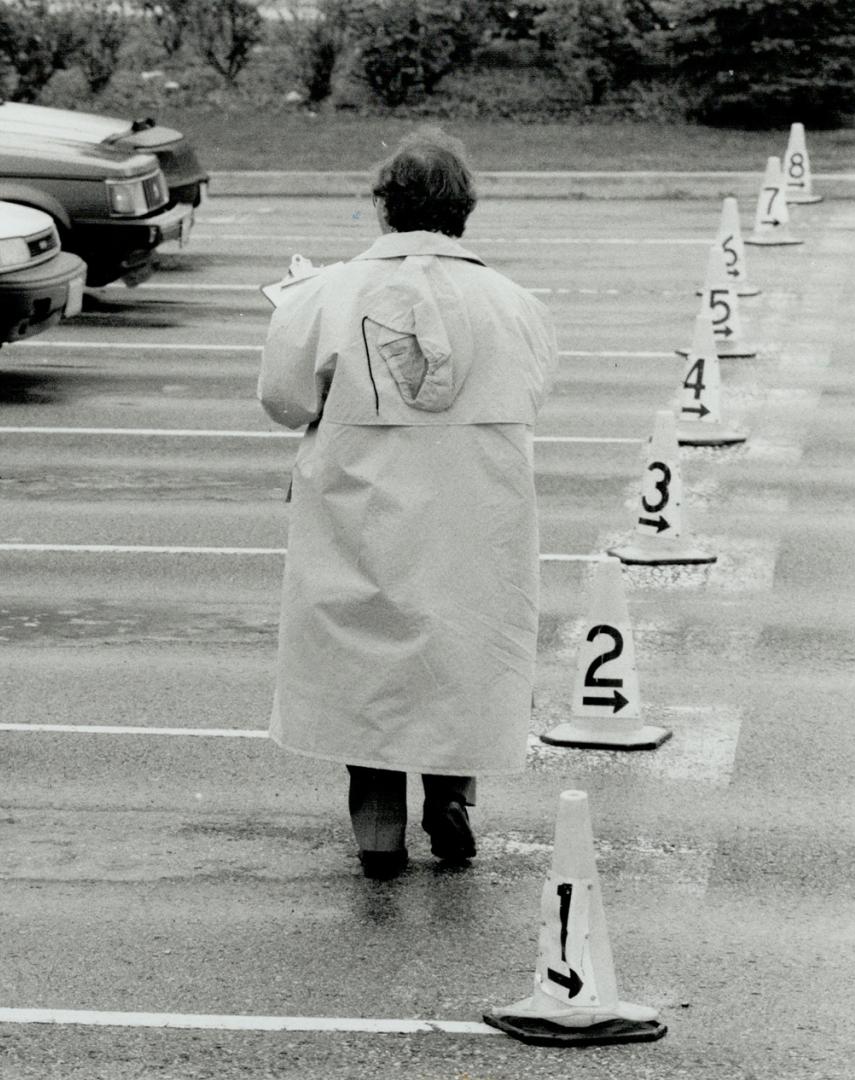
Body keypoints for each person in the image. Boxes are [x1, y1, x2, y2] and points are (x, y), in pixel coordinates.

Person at [256, 129, 559, 880]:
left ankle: (379, 841)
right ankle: (452, 794)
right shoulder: (513, 302)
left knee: (368, 673)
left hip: (362, 512)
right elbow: (533, 391)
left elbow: (285, 401)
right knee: (458, 654)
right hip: (475, 512)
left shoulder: (327, 293)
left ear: (385, 206)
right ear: (465, 210)